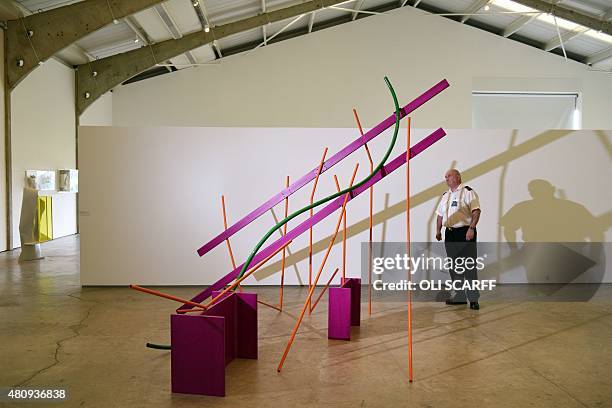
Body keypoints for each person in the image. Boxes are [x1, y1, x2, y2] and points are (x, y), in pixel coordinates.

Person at [435, 169, 481, 310]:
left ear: (458, 177)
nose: (446, 178)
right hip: (450, 234)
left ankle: (473, 298)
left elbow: (476, 211)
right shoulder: (445, 196)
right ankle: (460, 296)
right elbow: (440, 216)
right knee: (454, 266)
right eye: (445, 177)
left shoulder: (468, 192)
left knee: (468, 265)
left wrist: (471, 228)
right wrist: (438, 231)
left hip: (464, 232)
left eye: (449, 176)